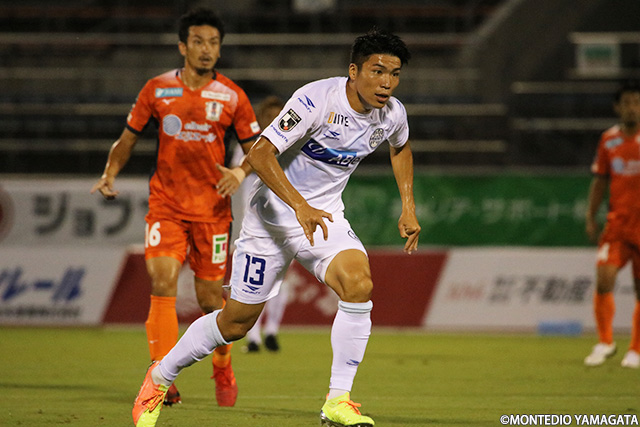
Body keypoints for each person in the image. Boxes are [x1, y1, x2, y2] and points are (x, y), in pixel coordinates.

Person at [132, 27, 421, 427]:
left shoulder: (392, 114)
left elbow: (400, 147)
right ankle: (159, 378)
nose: (387, 82)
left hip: (323, 217)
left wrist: (408, 206)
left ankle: (338, 400)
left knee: (359, 285)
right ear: (354, 72)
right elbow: (261, 153)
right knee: (235, 323)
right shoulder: (316, 100)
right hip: (271, 219)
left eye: (394, 74)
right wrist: (298, 205)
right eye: (378, 71)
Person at [91, 7, 260, 407]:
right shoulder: (157, 89)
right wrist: (110, 172)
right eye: (198, 41)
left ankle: (222, 365)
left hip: (213, 212)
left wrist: (239, 172)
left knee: (209, 301)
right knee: (163, 282)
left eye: (213, 42)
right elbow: (128, 138)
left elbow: (259, 149)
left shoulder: (232, 96)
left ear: (220, 49)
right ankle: (161, 377)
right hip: (166, 206)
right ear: (183, 46)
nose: (206, 49)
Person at [584, 80, 640, 369]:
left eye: (637, 102)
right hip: (617, 225)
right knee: (604, 278)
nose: (632, 108)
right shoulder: (608, 140)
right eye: (627, 102)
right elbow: (600, 181)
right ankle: (605, 342)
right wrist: (590, 216)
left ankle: (636, 350)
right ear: (617, 107)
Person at [240, 95, 290, 353]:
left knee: (279, 278)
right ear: (260, 119)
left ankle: (271, 331)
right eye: (269, 116)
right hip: (254, 224)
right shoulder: (248, 145)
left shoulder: (292, 145)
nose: (274, 120)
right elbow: (239, 174)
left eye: (278, 116)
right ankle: (253, 336)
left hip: (283, 222)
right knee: (252, 281)